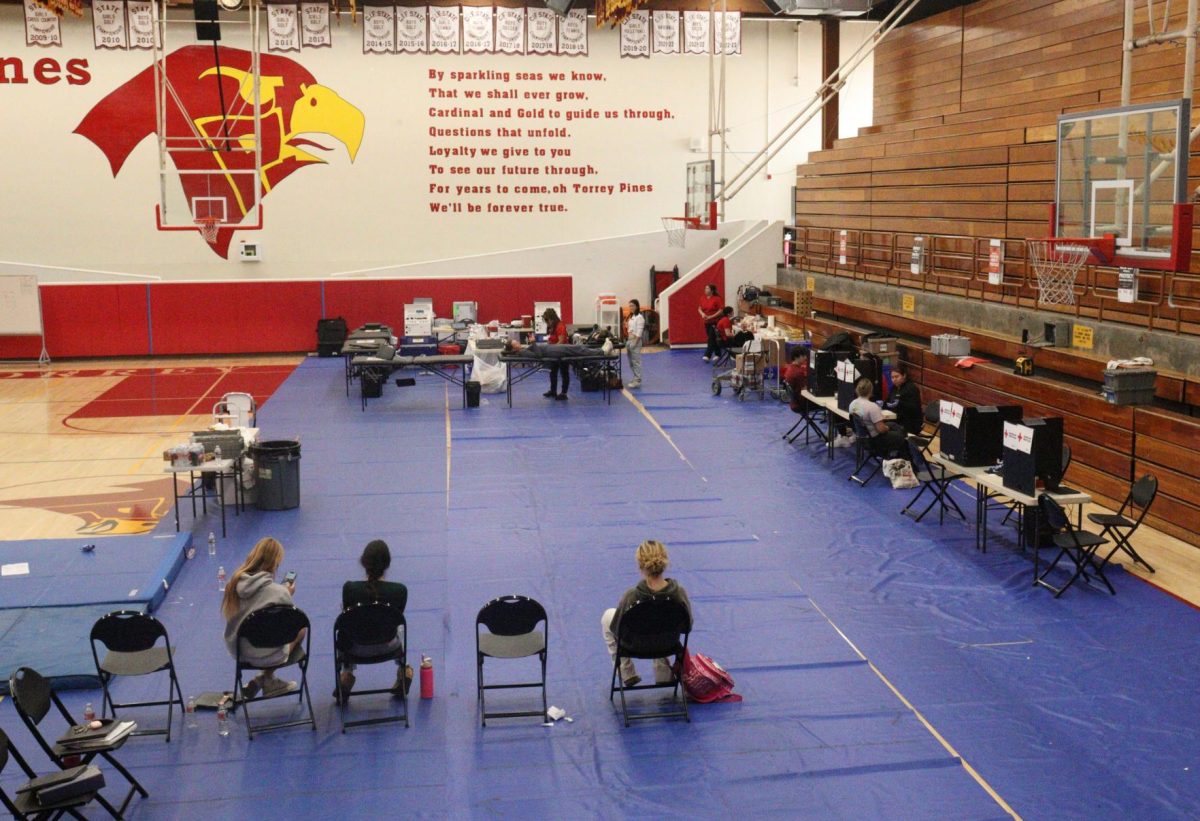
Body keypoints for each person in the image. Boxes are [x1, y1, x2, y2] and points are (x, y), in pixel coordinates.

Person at [601, 540, 692, 687]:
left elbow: (617, 629)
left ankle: (626, 672)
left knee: (608, 616)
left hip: (635, 646)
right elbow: (686, 627)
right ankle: (663, 673)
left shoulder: (631, 596)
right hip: (668, 643)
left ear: (640, 565)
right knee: (660, 620)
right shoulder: (679, 594)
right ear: (665, 562)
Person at [222, 537, 304, 698]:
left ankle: (263, 680)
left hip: (240, 650)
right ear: (274, 564)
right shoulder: (279, 592)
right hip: (268, 653)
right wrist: (287, 593)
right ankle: (266, 678)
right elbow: (289, 626)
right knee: (301, 629)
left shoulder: (233, 584)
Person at [338, 539, 410, 700]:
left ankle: (347, 674)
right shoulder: (400, 590)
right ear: (387, 564)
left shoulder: (350, 589)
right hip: (389, 646)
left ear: (364, 563)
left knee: (343, 622)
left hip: (355, 648)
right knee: (400, 625)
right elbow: (397, 618)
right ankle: (402, 670)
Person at [847, 376, 907, 457]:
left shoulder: (852, 404)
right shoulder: (872, 407)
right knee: (900, 437)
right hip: (874, 440)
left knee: (893, 425)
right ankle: (902, 460)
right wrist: (887, 428)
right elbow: (881, 430)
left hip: (860, 437)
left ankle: (893, 454)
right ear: (871, 390)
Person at [883, 362, 923, 435]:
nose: (894, 379)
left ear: (904, 375)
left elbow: (914, 409)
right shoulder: (894, 388)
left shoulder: (912, 388)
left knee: (885, 427)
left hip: (909, 422)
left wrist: (899, 403)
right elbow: (888, 402)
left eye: (896, 376)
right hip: (897, 418)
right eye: (892, 377)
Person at [541, 307, 570, 400]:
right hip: (554, 353)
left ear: (552, 318)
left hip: (563, 352)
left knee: (564, 372)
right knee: (553, 372)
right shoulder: (552, 326)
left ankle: (564, 393)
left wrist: (552, 349)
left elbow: (561, 341)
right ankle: (553, 391)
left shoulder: (560, 326)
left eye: (547, 320)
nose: (547, 322)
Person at [698, 284, 723, 361]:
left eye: (707, 288)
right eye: (705, 288)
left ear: (712, 290)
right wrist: (702, 314)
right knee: (713, 338)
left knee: (711, 338)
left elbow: (721, 310)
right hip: (706, 321)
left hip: (715, 322)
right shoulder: (702, 298)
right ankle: (718, 354)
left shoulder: (717, 299)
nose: (705, 289)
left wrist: (711, 316)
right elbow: (699, 308)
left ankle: (707, 355)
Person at [781, 346, 809, 412]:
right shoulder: (798, 372)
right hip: (801, 404)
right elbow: (804, 389)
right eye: (803, 356)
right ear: (796, 357)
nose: (805, 358)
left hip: (794, 403)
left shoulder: (790, 368)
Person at [625, 299, 644, 389]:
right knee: (631, 362)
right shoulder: (632, 317)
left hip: (635, 341)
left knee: (636, 362)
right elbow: (631, 329)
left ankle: (638, 380)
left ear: (637, 306)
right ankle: (635, 377)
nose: (631, 307)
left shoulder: (640, 317)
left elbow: (639, 332)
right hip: (629, 340)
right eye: (630, 306)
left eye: (632, 305)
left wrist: (635, 342)